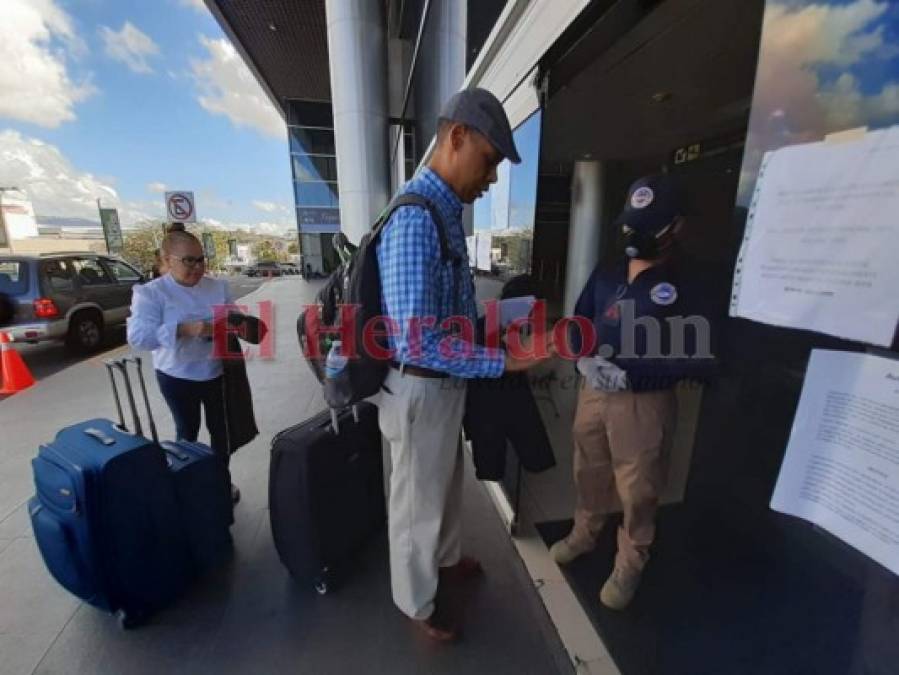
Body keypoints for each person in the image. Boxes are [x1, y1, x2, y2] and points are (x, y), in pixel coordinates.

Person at [376, 87, 553, 642]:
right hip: (419, 385)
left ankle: (445, 562)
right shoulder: (416, 219)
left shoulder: (444, 213)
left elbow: (452, 311)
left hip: (443, 384)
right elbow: (415, 340)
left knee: (443, 485)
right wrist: (504, 360)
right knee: (415, 503)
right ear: (456, 138)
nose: (494, 177)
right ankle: (417, 602)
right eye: (491, 159)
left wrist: (500, 322)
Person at [550, 174, 714, 610]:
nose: (635, 234)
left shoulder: (690, 280)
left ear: (675, 226)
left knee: (638, 487)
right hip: (594, 390)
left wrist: (635, 376)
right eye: (632, 223)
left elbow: (701, 354)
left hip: (644, 401)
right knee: (589, 468)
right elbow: (578, 321)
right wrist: (581, 358)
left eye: (650, 224)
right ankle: (585, 533)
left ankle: (630, 562)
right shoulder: (607, 270)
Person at [127, 228, 242, 504]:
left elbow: (234, 314)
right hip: (177, 376)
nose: (197, 267)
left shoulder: (217, 286)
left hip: (216, 372)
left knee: (222, 434)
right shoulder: (151, 293)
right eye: (188, 260)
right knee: (187, 433)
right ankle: (189, 487)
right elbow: (138, 337)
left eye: (201, 260)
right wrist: (183, 329)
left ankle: (220, 484)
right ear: (167, 260)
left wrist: (233, 323)